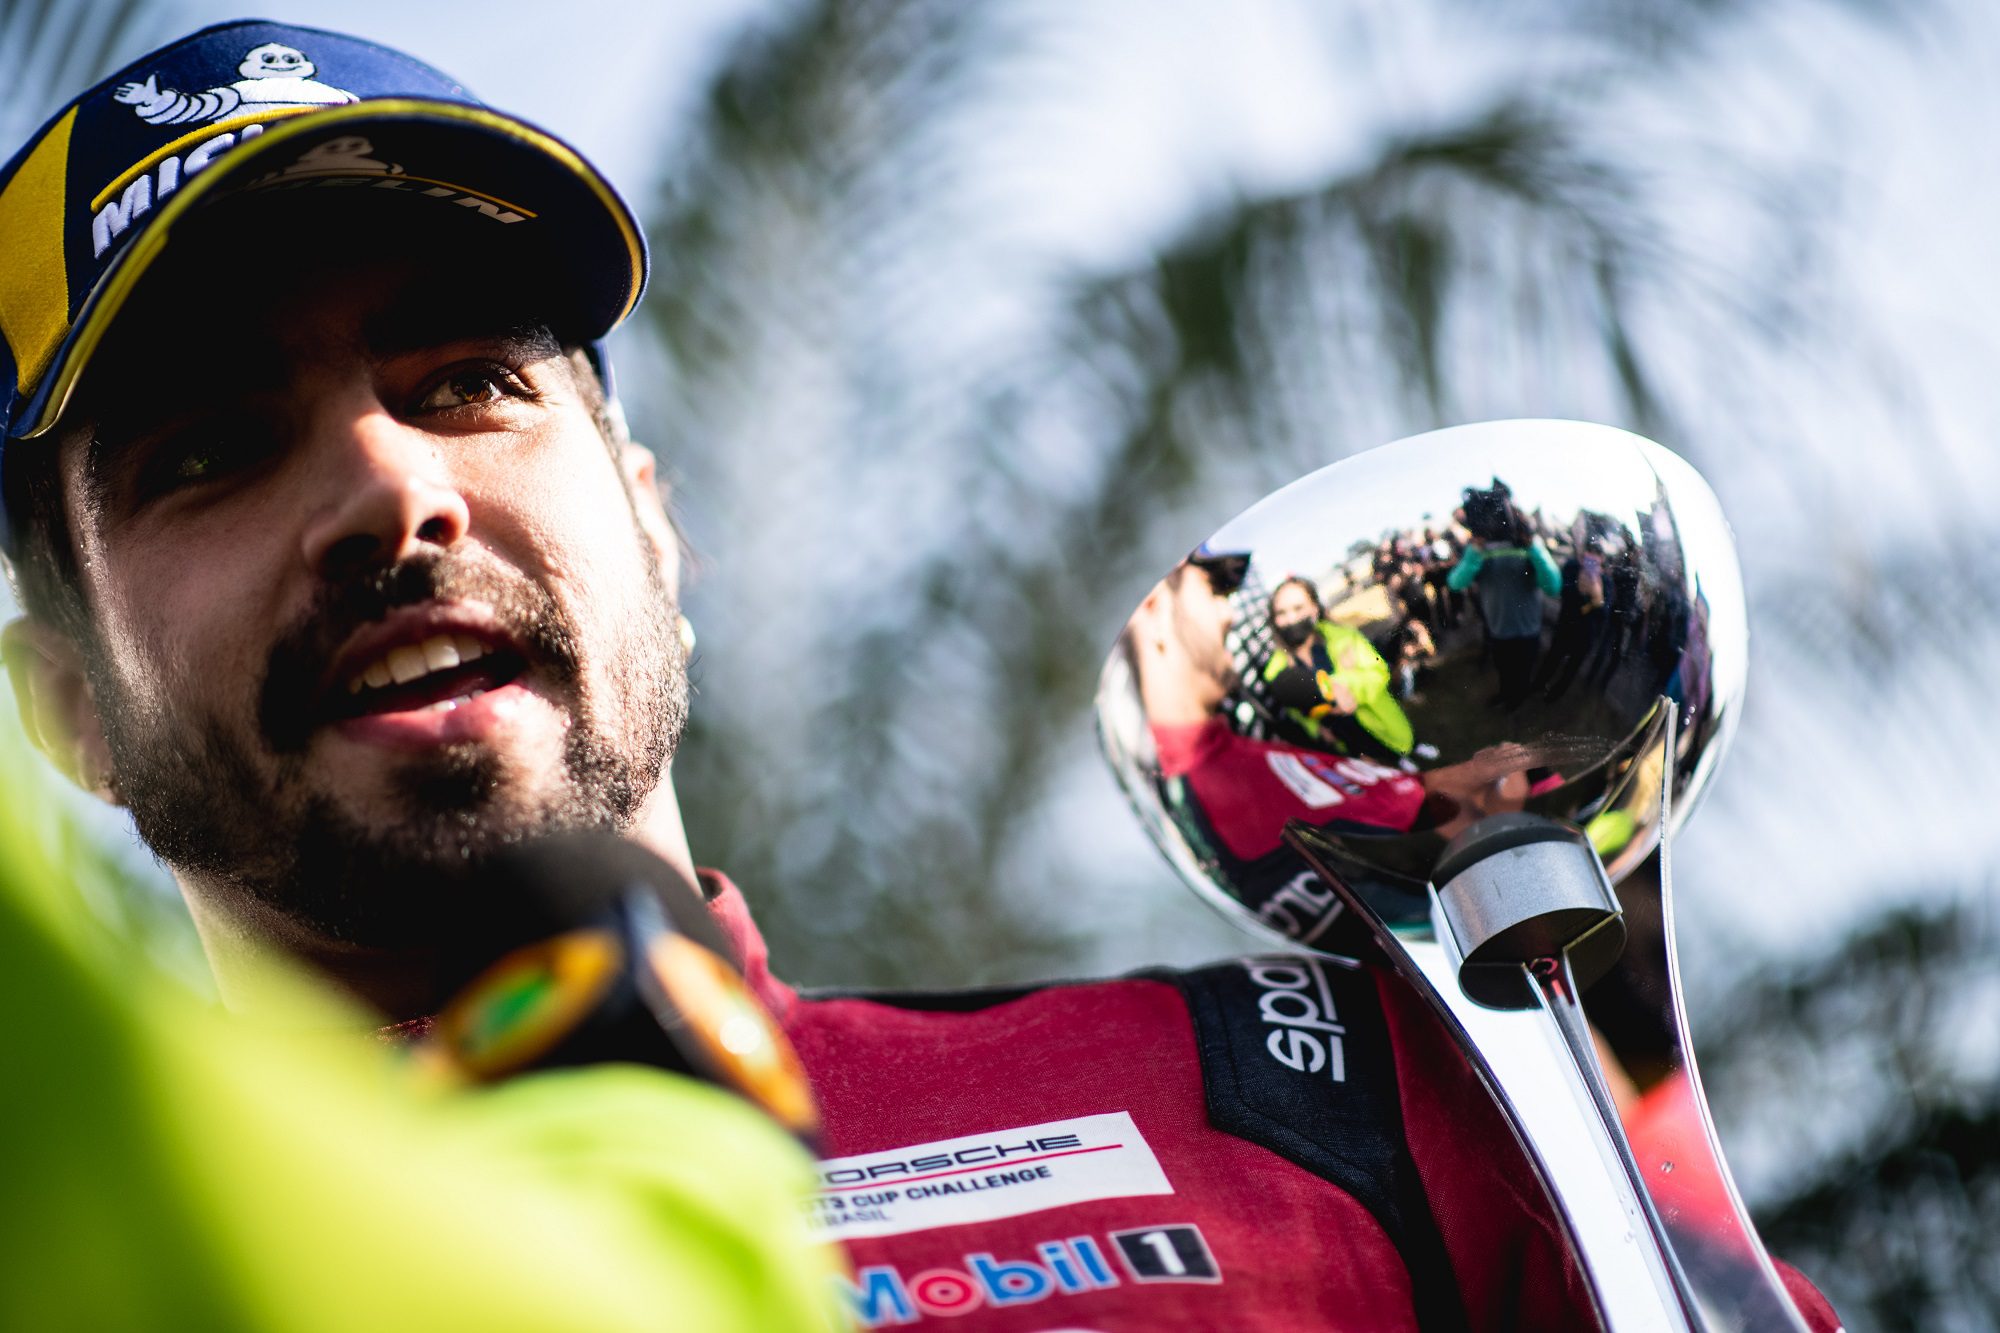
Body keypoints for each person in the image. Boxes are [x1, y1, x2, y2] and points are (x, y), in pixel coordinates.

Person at [0, 20, 1840, 1331]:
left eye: (470, 376)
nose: (389, 487)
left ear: (657, 533)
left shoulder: (1352, 1099)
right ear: (64, 707)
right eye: (211, 449)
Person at [1258, 575, 1415, 760]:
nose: (1291, 618)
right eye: (1281, 613)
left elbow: (1379, 671)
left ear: (1314, 609)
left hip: (1383, 731)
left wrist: (1343, 687)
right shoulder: (1275, 671)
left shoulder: (1344, 636)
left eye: (1298, 608)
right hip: (1346, 750)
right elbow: (1298, 713)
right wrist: (1318, 730)